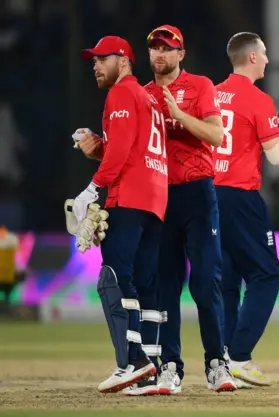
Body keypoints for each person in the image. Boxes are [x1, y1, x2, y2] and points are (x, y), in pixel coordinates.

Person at [213, 32, 279, 387]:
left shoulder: (210, 93)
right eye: (265, 54)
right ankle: (240, 356)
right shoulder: (257, 99)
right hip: (241, 197)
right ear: (253, 59)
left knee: (227, 280)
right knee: (267, 276)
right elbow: (275, 156)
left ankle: (222, 360)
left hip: (207, 195)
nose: (269, 60)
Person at [141, 24, 234, 394]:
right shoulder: (142, 94)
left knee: (206, 279)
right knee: (165, 285)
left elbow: (216, 135)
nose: (159, 54)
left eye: (167, 48)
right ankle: (170, 367)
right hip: (159, 197)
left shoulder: (200, 87)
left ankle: (217, 364)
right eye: (154, 48)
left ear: (181, 54)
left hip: (198, 193)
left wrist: (178, 113)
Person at [72, 35, 168, 393]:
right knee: (144, 284)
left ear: (124, 60)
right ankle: (152, 369)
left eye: (102, 59)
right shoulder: (147, 97)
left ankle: (132, 361)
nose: (95, 65)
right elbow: (133, 148)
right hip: (155, 200)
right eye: (93, 60)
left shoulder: (122, 93)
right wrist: (100, 146)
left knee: (113, 277)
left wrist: (93, 188)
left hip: (129, 197)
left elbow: (124, 150)